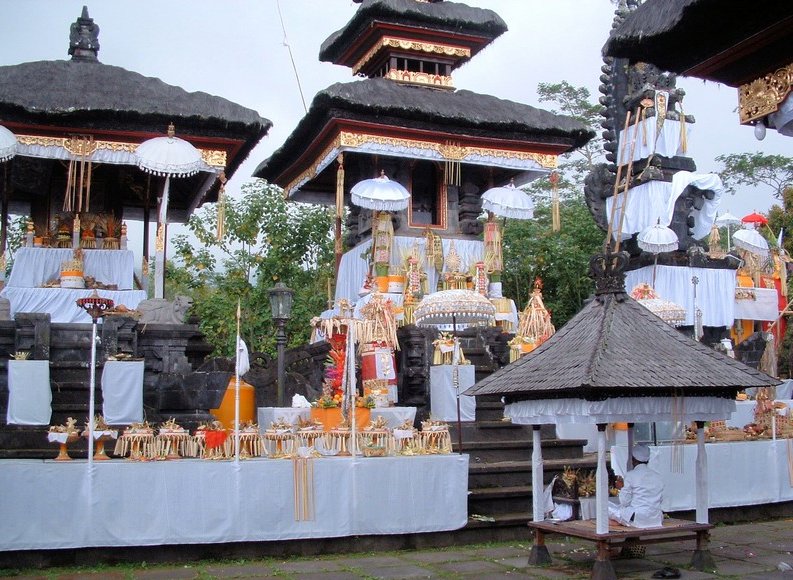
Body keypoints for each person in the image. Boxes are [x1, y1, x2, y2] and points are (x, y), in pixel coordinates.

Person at [608, 443, 664, 528]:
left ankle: (621, 522)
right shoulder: (658, 476)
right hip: (655, 518)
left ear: (633, 460)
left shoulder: (630, 475)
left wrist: (622, 488)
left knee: (606, 507)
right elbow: (660, 499)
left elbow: (624, 502)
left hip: (638, 518)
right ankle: (621, 522)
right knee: (622, 509)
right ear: (648, 460)